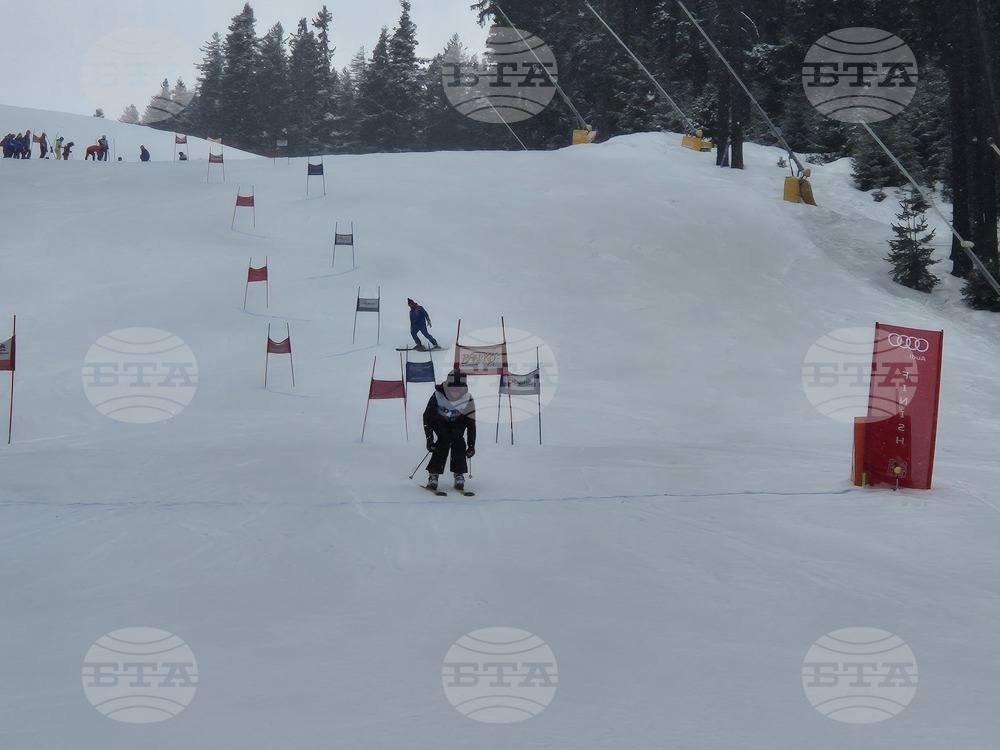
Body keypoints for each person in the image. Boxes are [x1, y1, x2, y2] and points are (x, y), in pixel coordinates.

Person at [423, 369, 476, 491]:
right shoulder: (437, 395)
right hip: (439, 421)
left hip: (457, 422)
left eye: (458, 389)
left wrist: (471, 445)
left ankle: (459, 473)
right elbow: (427, 418)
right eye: (452, 388)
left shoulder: (467, 399)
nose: (455, 391)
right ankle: (433, 474)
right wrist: (429, 440)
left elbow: (471, 423)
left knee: (457, 439)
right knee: (444, 439)